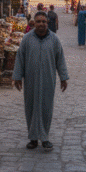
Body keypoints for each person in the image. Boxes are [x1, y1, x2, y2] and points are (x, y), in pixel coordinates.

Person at [13, 11, 69, 151]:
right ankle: (33, 139)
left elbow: (60, 59)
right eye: (38, 22)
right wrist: (17, 76)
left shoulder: (54, 40)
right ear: (34, 23)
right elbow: (20, 58)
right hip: (30, 81)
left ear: (47, 23)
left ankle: (45, 138)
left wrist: (63, 77)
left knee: (46, 109)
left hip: (48, 80)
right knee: (30, 108)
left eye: (44, 22)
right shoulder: (27, 39)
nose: (41, 24)